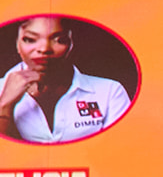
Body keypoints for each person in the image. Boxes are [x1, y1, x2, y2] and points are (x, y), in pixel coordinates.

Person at [0, 16, 131, 144]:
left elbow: (123, 150)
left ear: (71, 44)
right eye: (30, 39)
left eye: (59, 40)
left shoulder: (109, 92)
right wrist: (4, 105)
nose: (44, 49)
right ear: (17, 44)